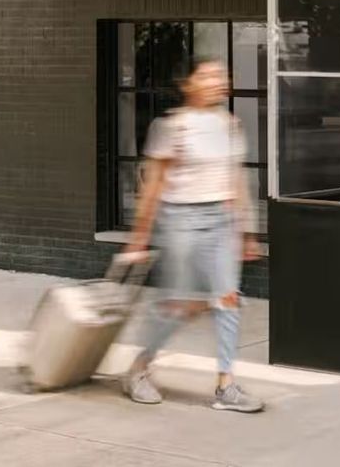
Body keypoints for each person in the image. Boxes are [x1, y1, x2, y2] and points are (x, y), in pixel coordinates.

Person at [121, 57, 265, 413]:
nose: (219, 81)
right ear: (188, 84)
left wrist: (246, 231)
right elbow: (153, 185)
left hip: (221, 220)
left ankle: (226, 386)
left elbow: (236, 179)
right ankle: (139, 368)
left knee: (228, 300)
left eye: (221, 75)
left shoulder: (230, 124)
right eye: (209, 75)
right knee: (176, 305)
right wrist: (138, 238)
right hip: (180, 219)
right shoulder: (172, 127)